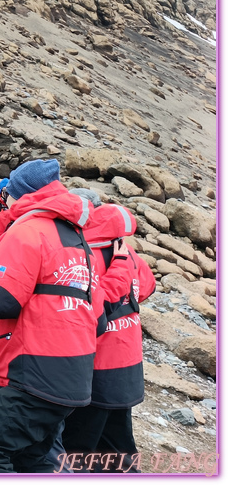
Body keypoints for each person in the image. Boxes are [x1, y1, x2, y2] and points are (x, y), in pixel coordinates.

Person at [0, 159, 105, 473]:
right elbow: (97, 317)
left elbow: (0, 301)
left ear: (21, 195)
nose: (5, 200)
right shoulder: (79, 241)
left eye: (9, 194)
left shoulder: (28, 230)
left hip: (35, 375)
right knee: (33, 458)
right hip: (75, 377)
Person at [61, 198, 156, 472]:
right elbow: (146, 289)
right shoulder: (129, 254)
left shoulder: (83, 255)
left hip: (96, 367)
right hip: (127, 364)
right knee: (118, 444)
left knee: (76, 447)